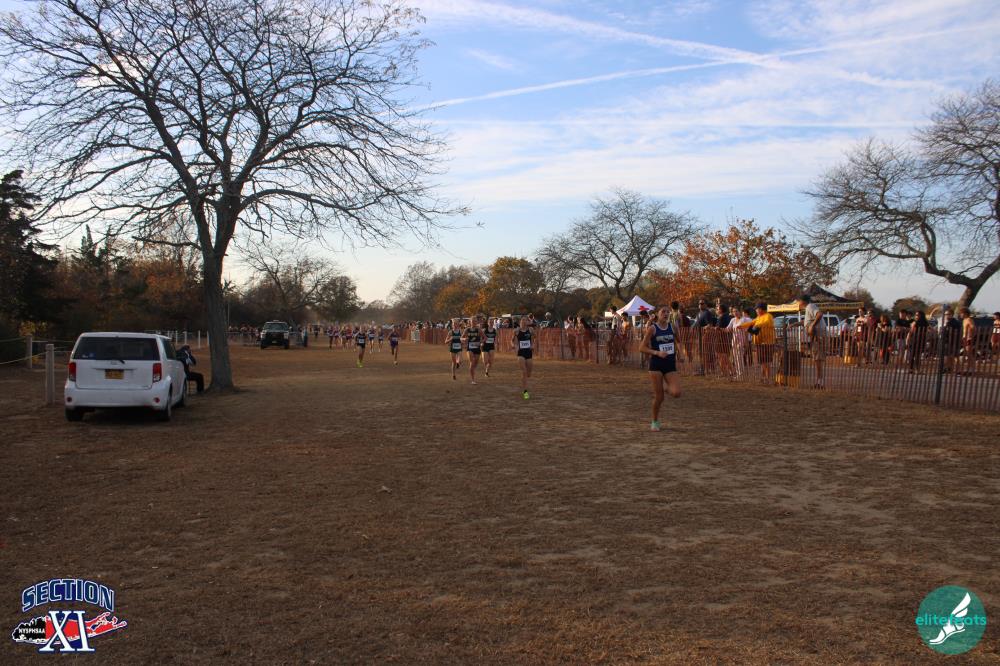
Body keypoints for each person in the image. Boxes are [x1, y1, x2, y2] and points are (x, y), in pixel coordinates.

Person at [639, 305, 681, 432]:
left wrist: (681, 353)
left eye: (668, 312)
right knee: (659, 397)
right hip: (656, 364)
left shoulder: (672, 327)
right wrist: (656, 352)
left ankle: (665, 387)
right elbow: (642, 347)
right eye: (663, 312)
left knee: (676, 393)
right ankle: (655, 421)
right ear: (658, 314)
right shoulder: (653, 328)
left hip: (670, 364)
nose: (666, 314)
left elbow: (678, 341)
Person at [738, 302, 776, 385]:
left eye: (757, 309)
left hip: (767, 342)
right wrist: (742, 326)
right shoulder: (758, 317)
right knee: (762, 362)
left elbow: (766, 322)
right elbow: (751, 323)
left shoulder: (768, 316)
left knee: (766, 362)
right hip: (759, 342)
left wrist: (757, 325)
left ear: (762, 309)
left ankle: (768, 379)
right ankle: (763, 378)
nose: (756, 311)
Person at [794, 294, 826, 388]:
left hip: (818, 337)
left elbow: (819, 314)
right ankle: (819, 381)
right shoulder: (808, 309)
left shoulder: (810, 306)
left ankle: (820, 382)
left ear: (802, 301)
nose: (798, 303)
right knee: (817, 359)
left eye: (798, 301)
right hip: (815, 337)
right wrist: (794, 324)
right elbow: (805, 322)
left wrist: (812, 326)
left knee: (818, 359)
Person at [512, 316, 534, 399]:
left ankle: (524, 380)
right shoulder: (516, 331)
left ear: (527, 322)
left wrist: (533, 345)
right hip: (520, 353)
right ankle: (525, 392)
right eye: (522, 320)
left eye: (525, 320)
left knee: (528, 374)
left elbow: (534, 339)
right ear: (520, 322)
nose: (524, 322)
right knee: (524, 372)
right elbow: (511, 340)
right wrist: (514, 345)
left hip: (529, 352)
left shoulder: (531, 330)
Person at [715, 303, 735, 380]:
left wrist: (714, 329)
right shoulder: (727, 316)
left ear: (721, 310)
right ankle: (731, 371)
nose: (716, 310)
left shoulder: (721, 317)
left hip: (721, 338)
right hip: (727, 338)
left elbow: (718, 328)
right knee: (725, 356)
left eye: (717, 309)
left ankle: (725, 373)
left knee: (722, 356)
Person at [462, 315, 483, 384]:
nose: (474, 322)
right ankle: (473, 380)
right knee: (472, 362)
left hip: (477, 348)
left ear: (477, 322)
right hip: (470, 348)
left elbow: (485, 338)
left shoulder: (479, 330)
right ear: (470, 322)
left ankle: (472, 370)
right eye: (472, 321)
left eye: (475, 321)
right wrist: (464, 339)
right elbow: (461, 338)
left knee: (475, 363)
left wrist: (481, 342)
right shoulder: (467, 330)